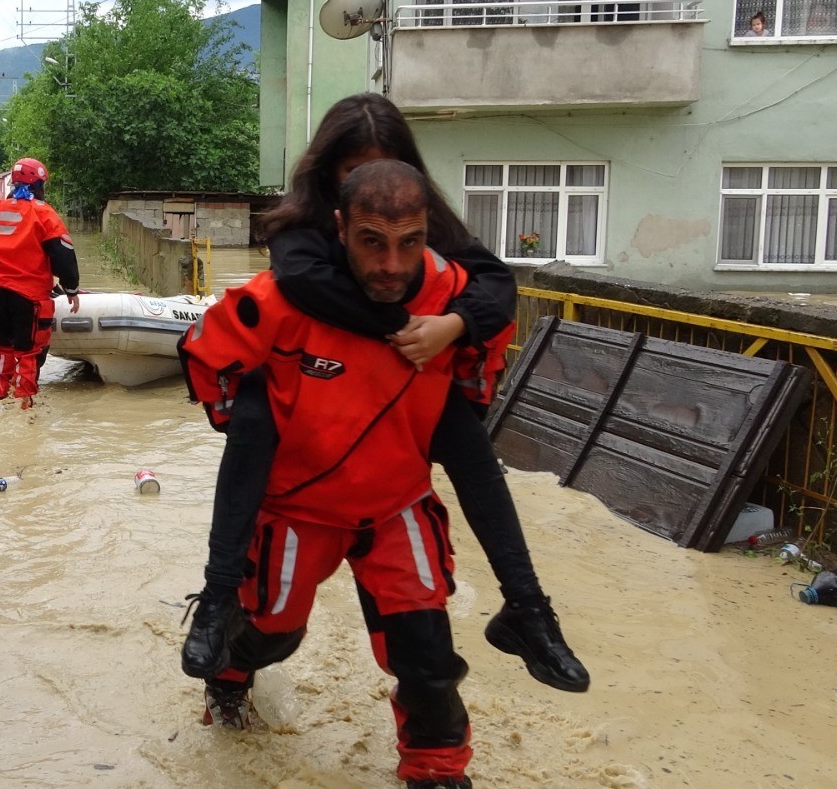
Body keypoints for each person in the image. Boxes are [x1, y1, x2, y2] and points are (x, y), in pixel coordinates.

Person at [181, 93, 588, 697]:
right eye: (354, 176)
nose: (374, 186)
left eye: (389, 172)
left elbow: (497, 289)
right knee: (254, 429)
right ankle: (220, 605)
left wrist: (449, 328)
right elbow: (236, 332)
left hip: (405, 413)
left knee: (427, 650)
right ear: (335, 200)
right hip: (308, 411)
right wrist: (395, 328)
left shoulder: (433, 242)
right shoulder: (298, 246)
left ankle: (526, 609)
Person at [180, 160, 487, 788]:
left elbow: (483, 360)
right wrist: (246, 423)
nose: (392, 267)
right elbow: (204, 356)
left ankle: (436, 771)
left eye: (411, 243)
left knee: (428, 658)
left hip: (398, 506)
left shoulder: (452, 300)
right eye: (373, 242)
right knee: (271, 635)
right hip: (296, 509)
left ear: (429, 232)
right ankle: (229, 676)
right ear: (340, 228)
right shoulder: (277, 303)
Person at [0, 157, 79, 407]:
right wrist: (72, 289)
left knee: (1, 349)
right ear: (39, 184)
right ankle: (25, 408)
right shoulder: (44, 214)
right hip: (29, 297)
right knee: (29, 354)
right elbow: (63, 254)